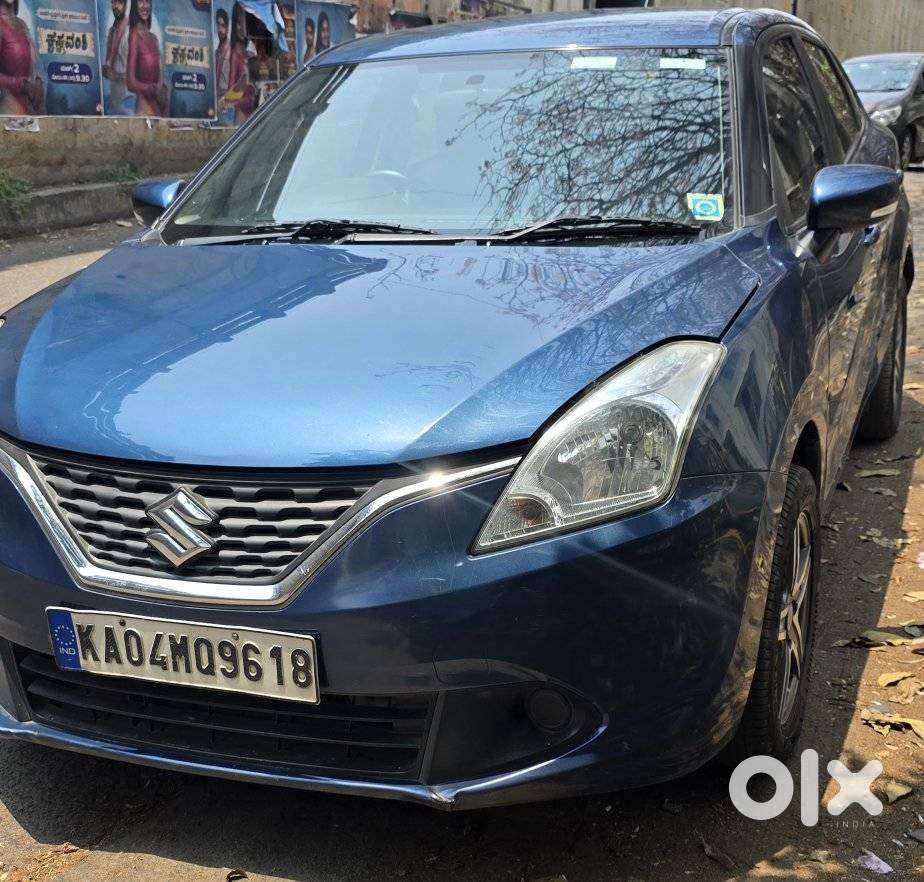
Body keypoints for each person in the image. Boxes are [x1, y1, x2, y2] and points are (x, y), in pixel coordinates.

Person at [0, 0, 43, 115]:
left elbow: (35, 65)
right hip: (7, 110)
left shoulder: (22, 24)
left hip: (29, 110)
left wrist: (38, 81)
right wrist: (20, 84)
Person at [125, 0, 165, 116]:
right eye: (140, 2)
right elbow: (130, 83)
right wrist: (150, 88)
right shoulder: (135, 35)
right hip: (144, 108)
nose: (145, 6)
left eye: (147, 1)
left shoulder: (154, 38)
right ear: (134, 5)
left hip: (157, 105)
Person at [222, 0, 254, 124]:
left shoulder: (252, 49)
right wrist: (231, 102)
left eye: (244, 22)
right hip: (243, 113)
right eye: (238, 23)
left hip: (254, 110)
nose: (241, 27)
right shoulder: (236, 53)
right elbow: (232, 87)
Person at [103, 0, 130, 114]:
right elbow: (110, 65)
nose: (116, 6)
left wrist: (116, 75)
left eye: (119, 3)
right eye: (113, 3)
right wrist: (106, 68)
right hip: (115, 95)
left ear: (125, 5)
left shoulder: (131, 32)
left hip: (130, 97)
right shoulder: (112, 31)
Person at [214, 7, 229, 99]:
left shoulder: (231, 51)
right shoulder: (217, 52)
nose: (220, 29)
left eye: (223, 25)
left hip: (228, 100)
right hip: (217, 99)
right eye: (218, 25)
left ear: (227, 28)